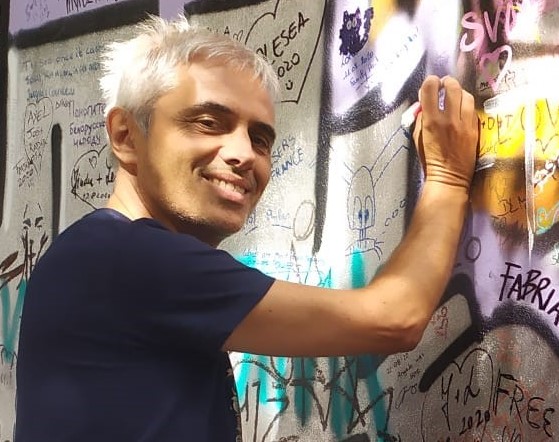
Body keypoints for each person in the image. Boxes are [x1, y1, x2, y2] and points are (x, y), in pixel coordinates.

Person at [15, 14, 479, 442]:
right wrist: (447, 178)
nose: (243, 154)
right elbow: (395, 318)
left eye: (260, 139)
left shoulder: (94, 254)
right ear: (125, 136)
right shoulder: (128, 257)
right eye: (208, 122)